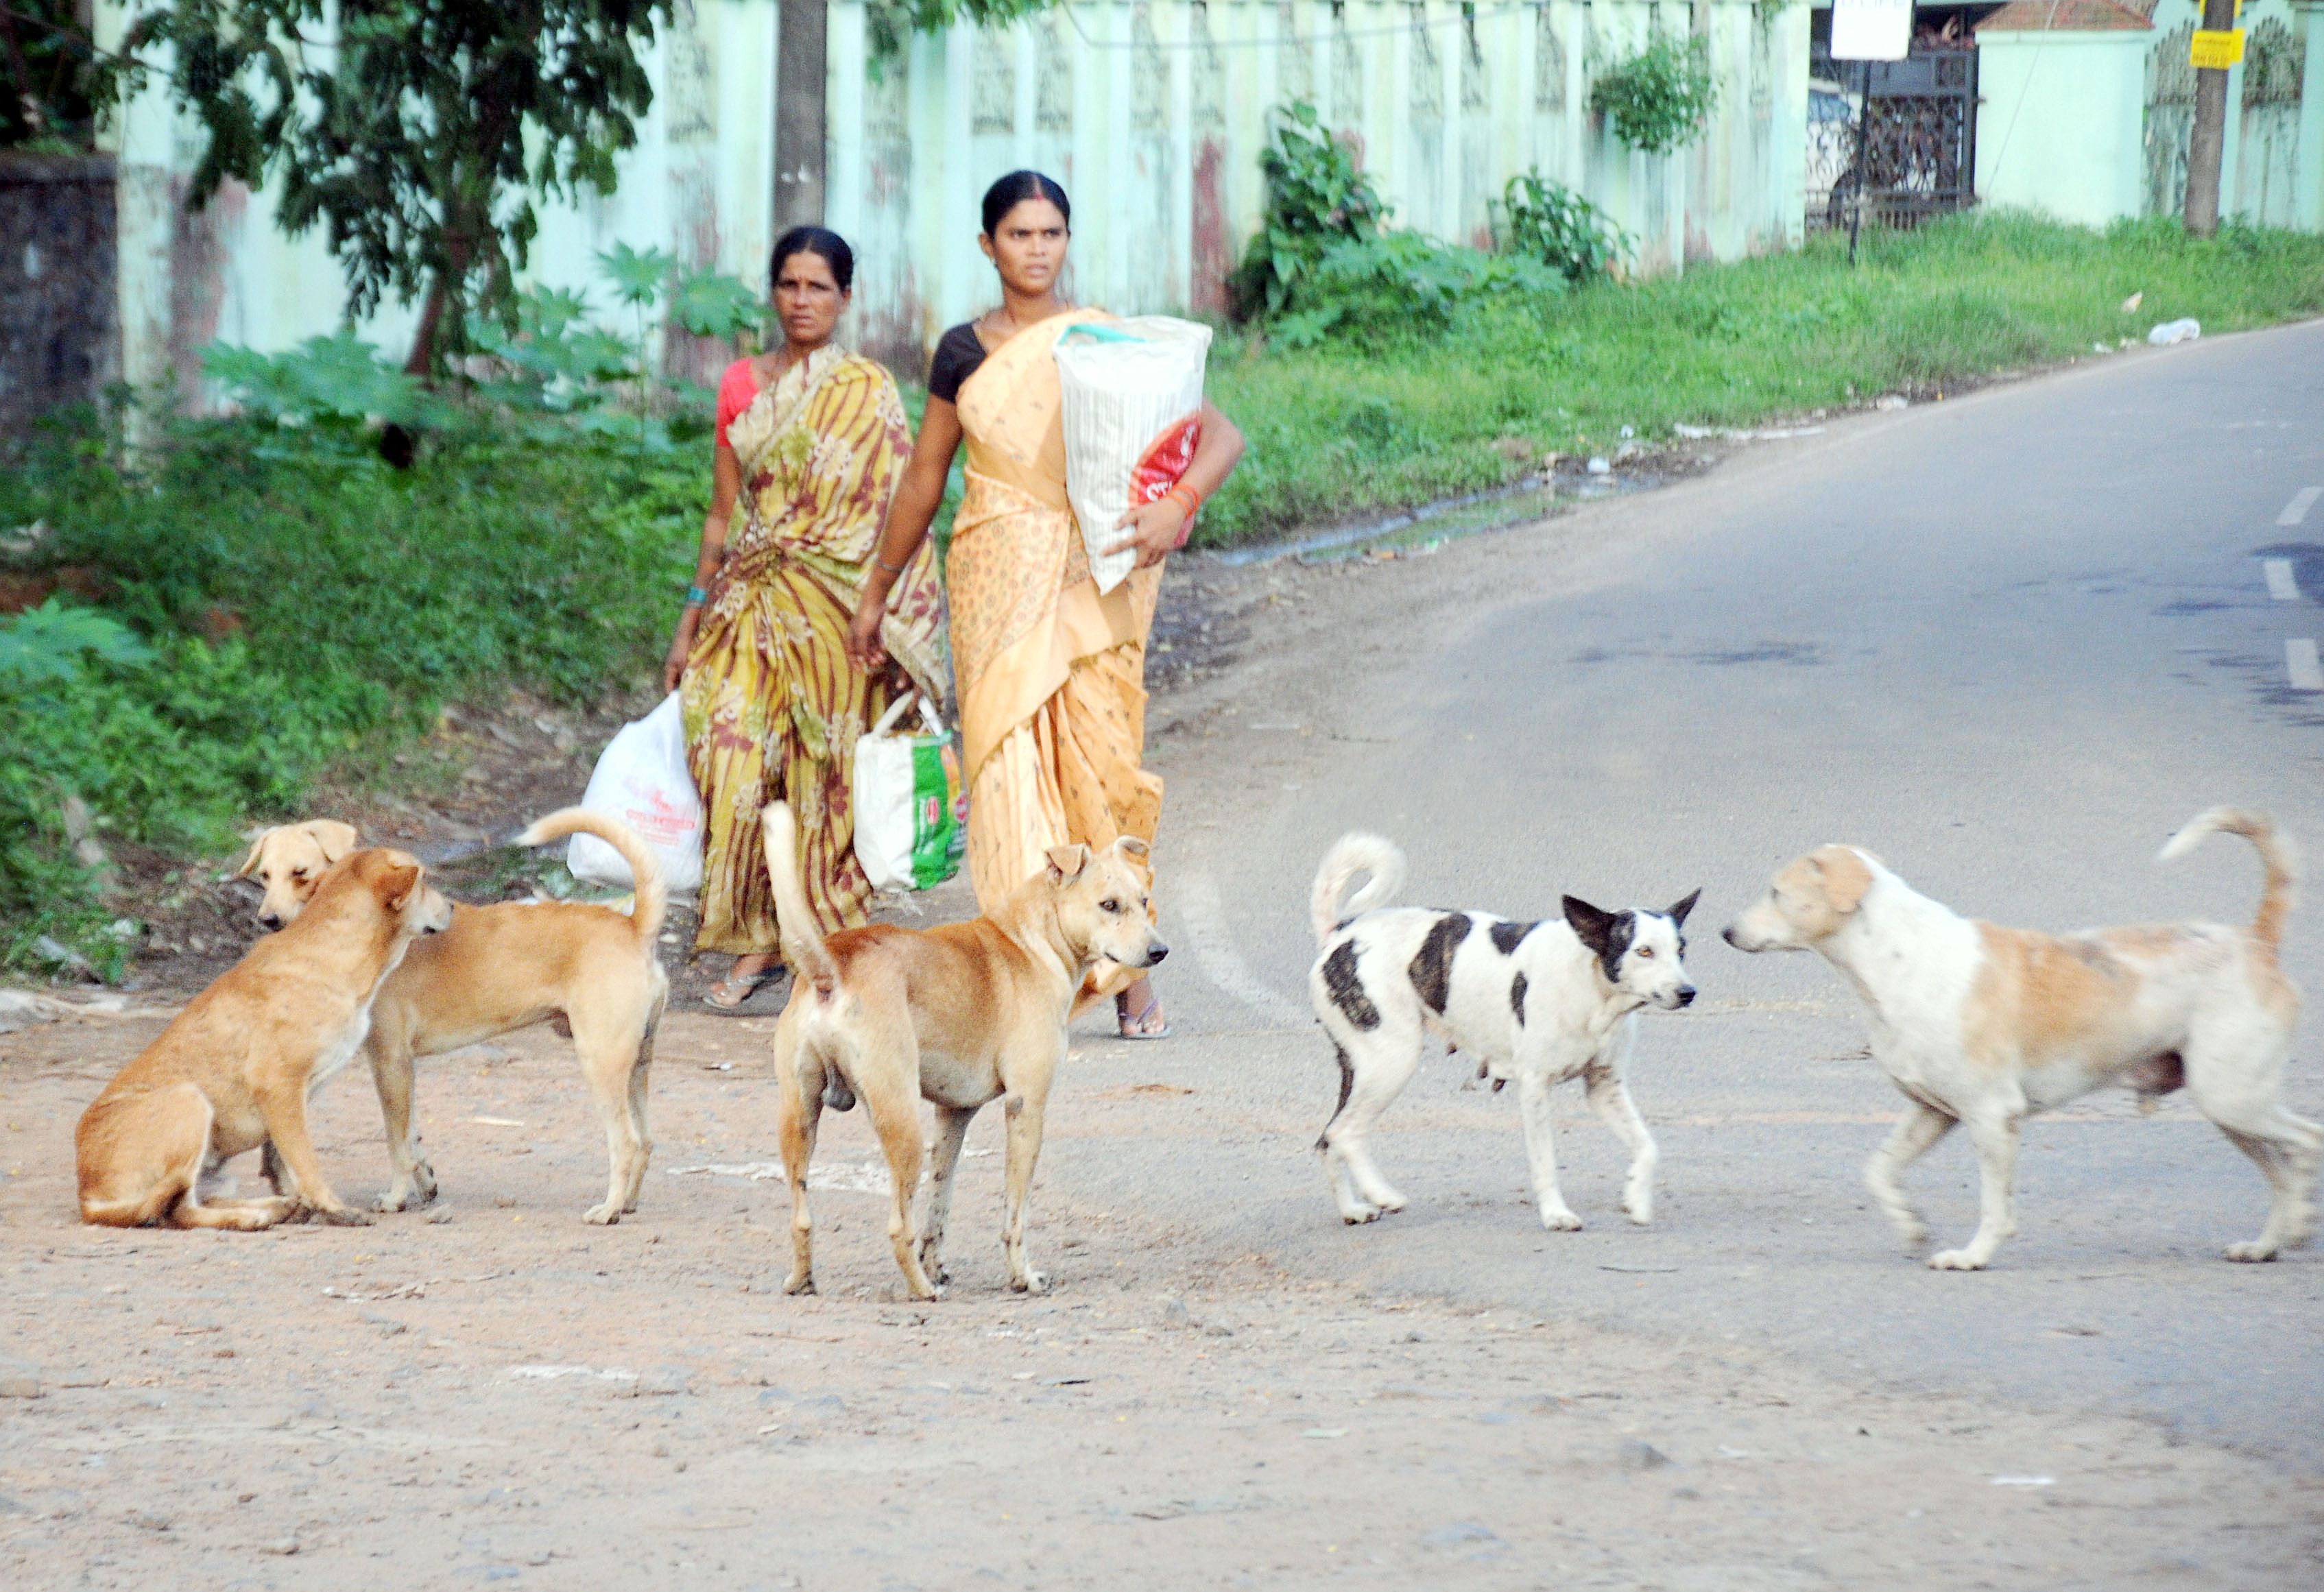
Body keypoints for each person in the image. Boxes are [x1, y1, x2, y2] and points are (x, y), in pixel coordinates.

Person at [846, 171, 1246, 1040]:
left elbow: (1218, 438)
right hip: (994, 577)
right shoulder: (960, 352)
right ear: (987, 245)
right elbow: (925, 476)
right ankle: (1025, 987)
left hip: (1091, 577)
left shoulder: (1102, 339)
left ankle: (1129, 973)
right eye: (1019, 234)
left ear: (1067, 241)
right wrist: (876, 590)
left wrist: (1178, 508)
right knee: (1005, 780)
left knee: (1099, 769)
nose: (1037, 248)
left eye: (1051, 233)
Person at [666, 226, 947, 1011]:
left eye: (818, 287)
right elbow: (723, 515)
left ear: (845, 298)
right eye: (788, 285)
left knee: (824, 774)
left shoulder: (866, 392)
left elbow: (899, 508)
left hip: (836, 617)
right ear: (772, 292)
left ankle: (820, 944)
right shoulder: (740, 386)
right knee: (732, 758)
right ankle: (760, 937)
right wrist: (690, 620)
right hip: (748, 608)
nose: (801, 300)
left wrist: (887, 616)